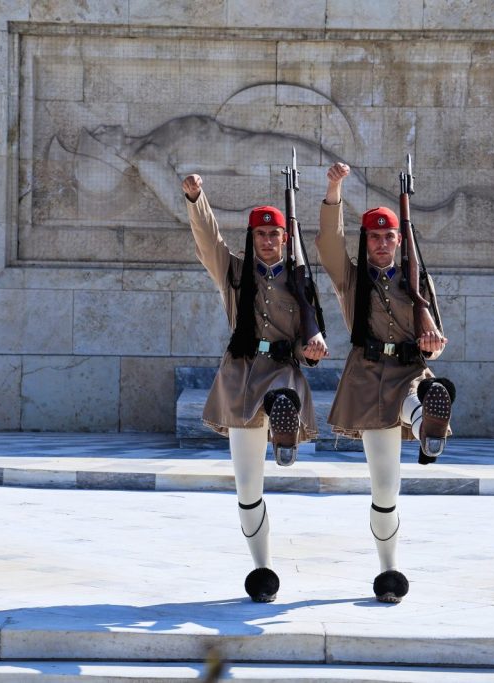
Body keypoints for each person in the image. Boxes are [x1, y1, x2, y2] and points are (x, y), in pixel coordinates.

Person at [183, 173, 328, 603]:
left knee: (282, 396)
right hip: (242, 374)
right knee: (247, 487)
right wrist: (196, 198)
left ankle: (284, 429)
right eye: (260, 234)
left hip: (282, 370)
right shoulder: (234, 272)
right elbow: (208, 241)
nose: (267, 241)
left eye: (274, 234)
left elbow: (307, 339)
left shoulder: (300, 281)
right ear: (252, 238)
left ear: (285, 239)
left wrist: (313, 347)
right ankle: (262, 569)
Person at [316, 162, 456, 604]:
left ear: (399, 240)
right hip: (369, 379)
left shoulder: (418, 280)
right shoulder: (351, 280)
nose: (381, 243)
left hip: (411, 374)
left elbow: (435, 344)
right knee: (384, 487)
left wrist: (433, 344)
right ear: (366, 240)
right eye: (374, 237)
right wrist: (334, 189)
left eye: (389, 236)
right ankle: (389, 570)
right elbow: (329, 243)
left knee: (422, 398)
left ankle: (428, 424)